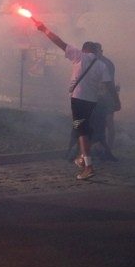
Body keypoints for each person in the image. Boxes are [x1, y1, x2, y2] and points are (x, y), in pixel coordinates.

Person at [27, 15, 112, 181]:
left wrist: (43, 28)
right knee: (86, 129)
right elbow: (108, 85)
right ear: (95, 51)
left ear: (84, 49)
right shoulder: (102, 65)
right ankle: (82, 157)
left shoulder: (79, 55)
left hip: (78, 100)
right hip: (91, 102)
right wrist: (117, 100)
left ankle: (88, 166)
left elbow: (58, 41)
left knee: (81, 132)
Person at [89, 43, 119, 161]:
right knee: (94, 124)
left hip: (105, 97)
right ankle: (96, 148)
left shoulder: (107, 64)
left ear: (100, 51)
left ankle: (108, 150)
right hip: (94, 97)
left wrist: (115, 98)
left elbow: (109, 83)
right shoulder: (90, 62)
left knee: (109, 123)